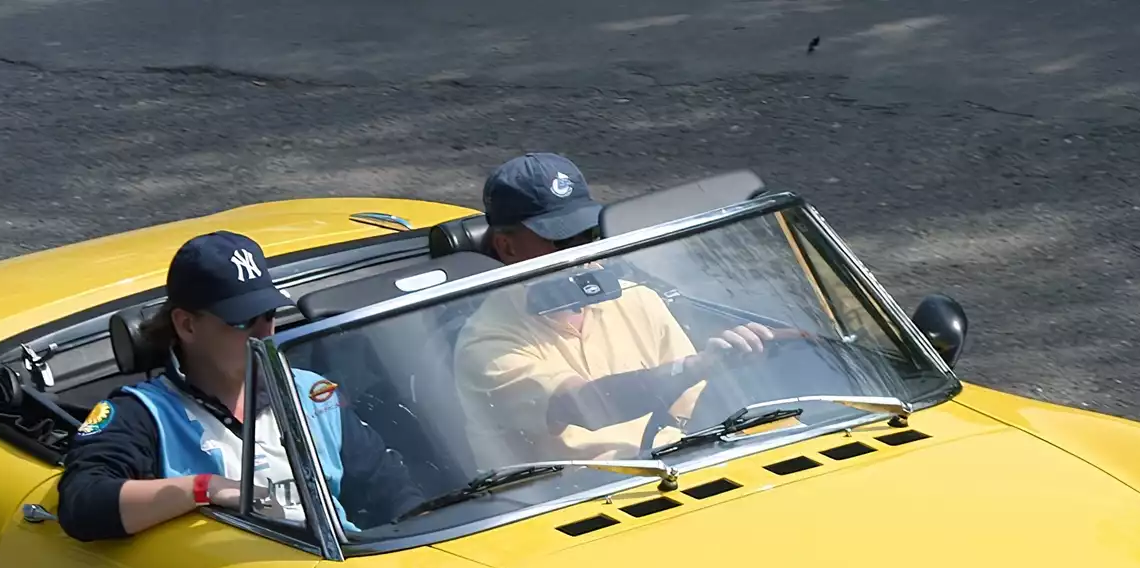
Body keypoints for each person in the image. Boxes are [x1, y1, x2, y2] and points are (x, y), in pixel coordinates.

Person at [57, 230, 418, 541]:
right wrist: (205, 488)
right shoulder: (144, 414)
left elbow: (394, 491)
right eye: (243, 322)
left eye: (269, 316)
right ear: (187, 326)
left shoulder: (313, 395)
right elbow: (81, 504)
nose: (264, 334)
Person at [453, 152, 779, 460]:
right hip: (570, 493)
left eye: (588, 233)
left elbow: (692, 408)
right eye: (562, 241)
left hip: (672, 468)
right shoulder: (485, 343)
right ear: (507, 248)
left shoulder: (636, 299)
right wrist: (694, 367)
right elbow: (585, 406)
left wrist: (743, 357)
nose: (582, 252)